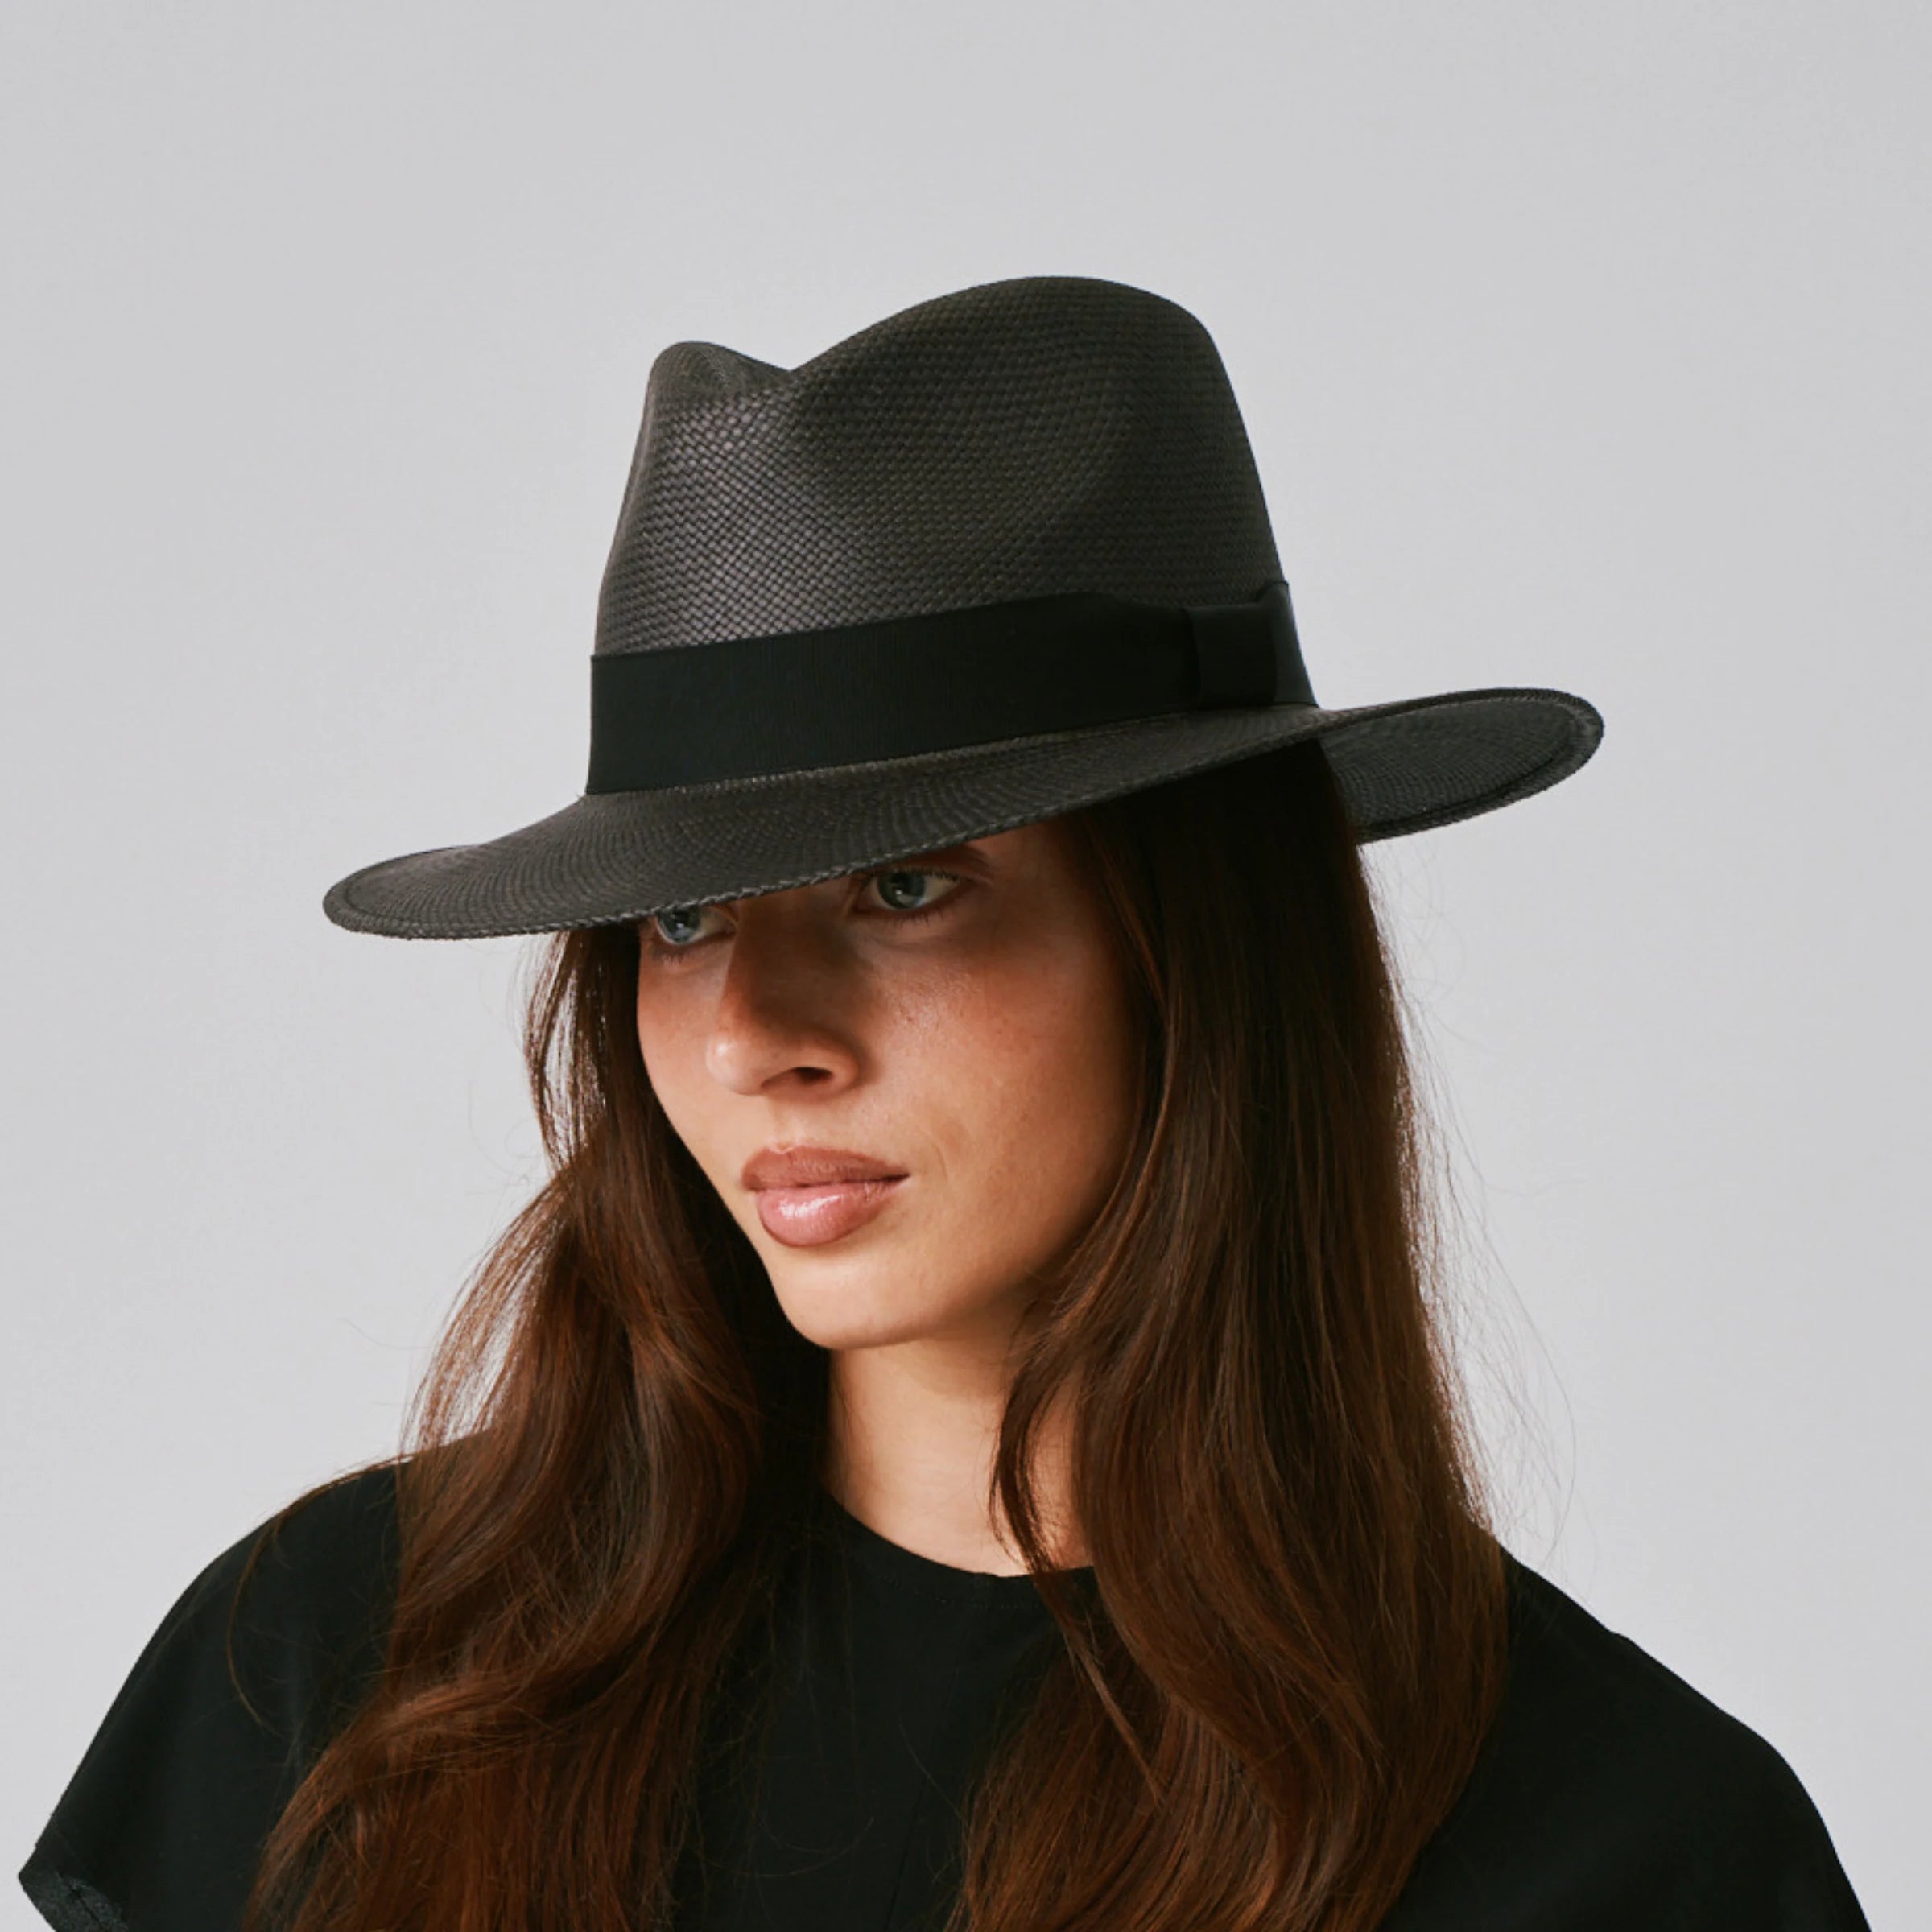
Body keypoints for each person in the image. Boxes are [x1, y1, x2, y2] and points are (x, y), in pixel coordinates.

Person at [17, 276, 1869, 1932]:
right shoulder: (343, 1667)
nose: (754, 1032)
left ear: (1200, 943)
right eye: (682, 913)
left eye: (906, 884)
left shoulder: (1623, 1852)